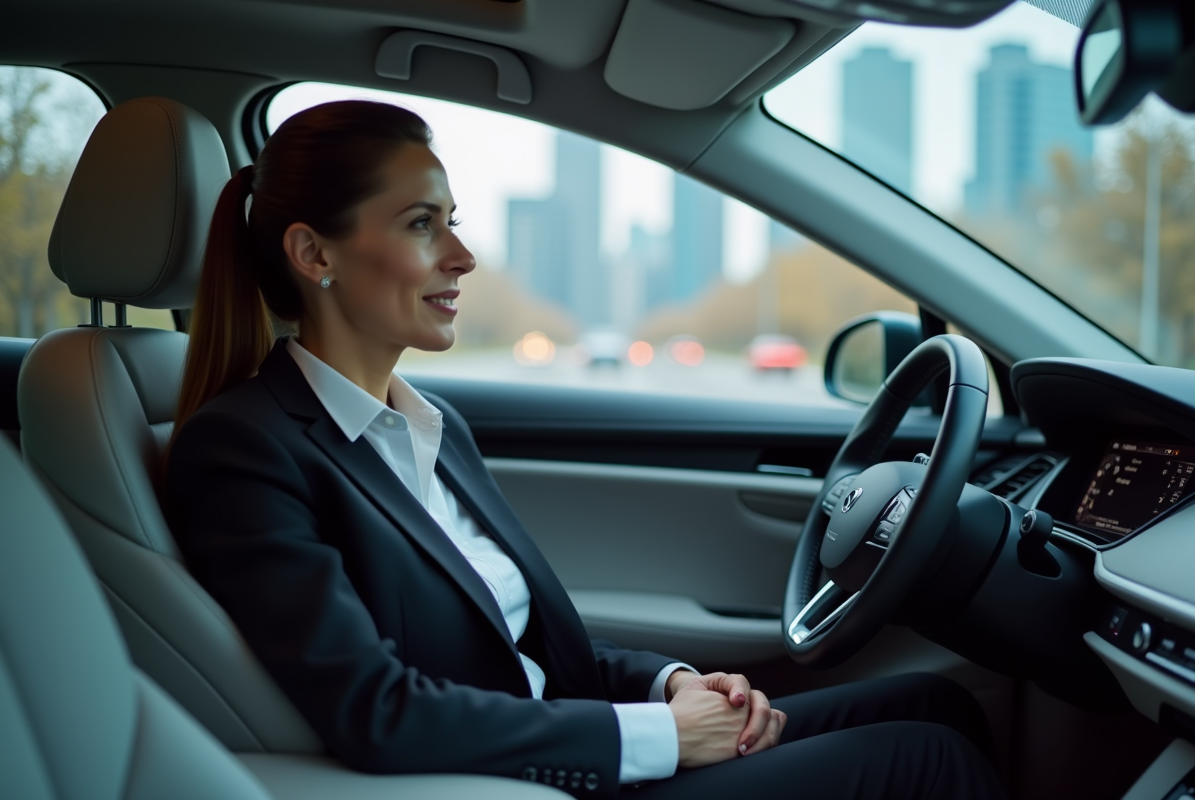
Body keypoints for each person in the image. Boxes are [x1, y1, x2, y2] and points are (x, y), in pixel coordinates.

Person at [166, 100, 1006, 800]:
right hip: (518, 785)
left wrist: (669, 685)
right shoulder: (245, 449)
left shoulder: (433, 427)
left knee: (937, 703)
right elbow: (377, 710)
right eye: (423, 225)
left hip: (578, 748)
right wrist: (658, 736)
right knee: (930, 762)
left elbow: (533, 650)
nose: (464, 255)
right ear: (315, 254)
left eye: (452, 222)